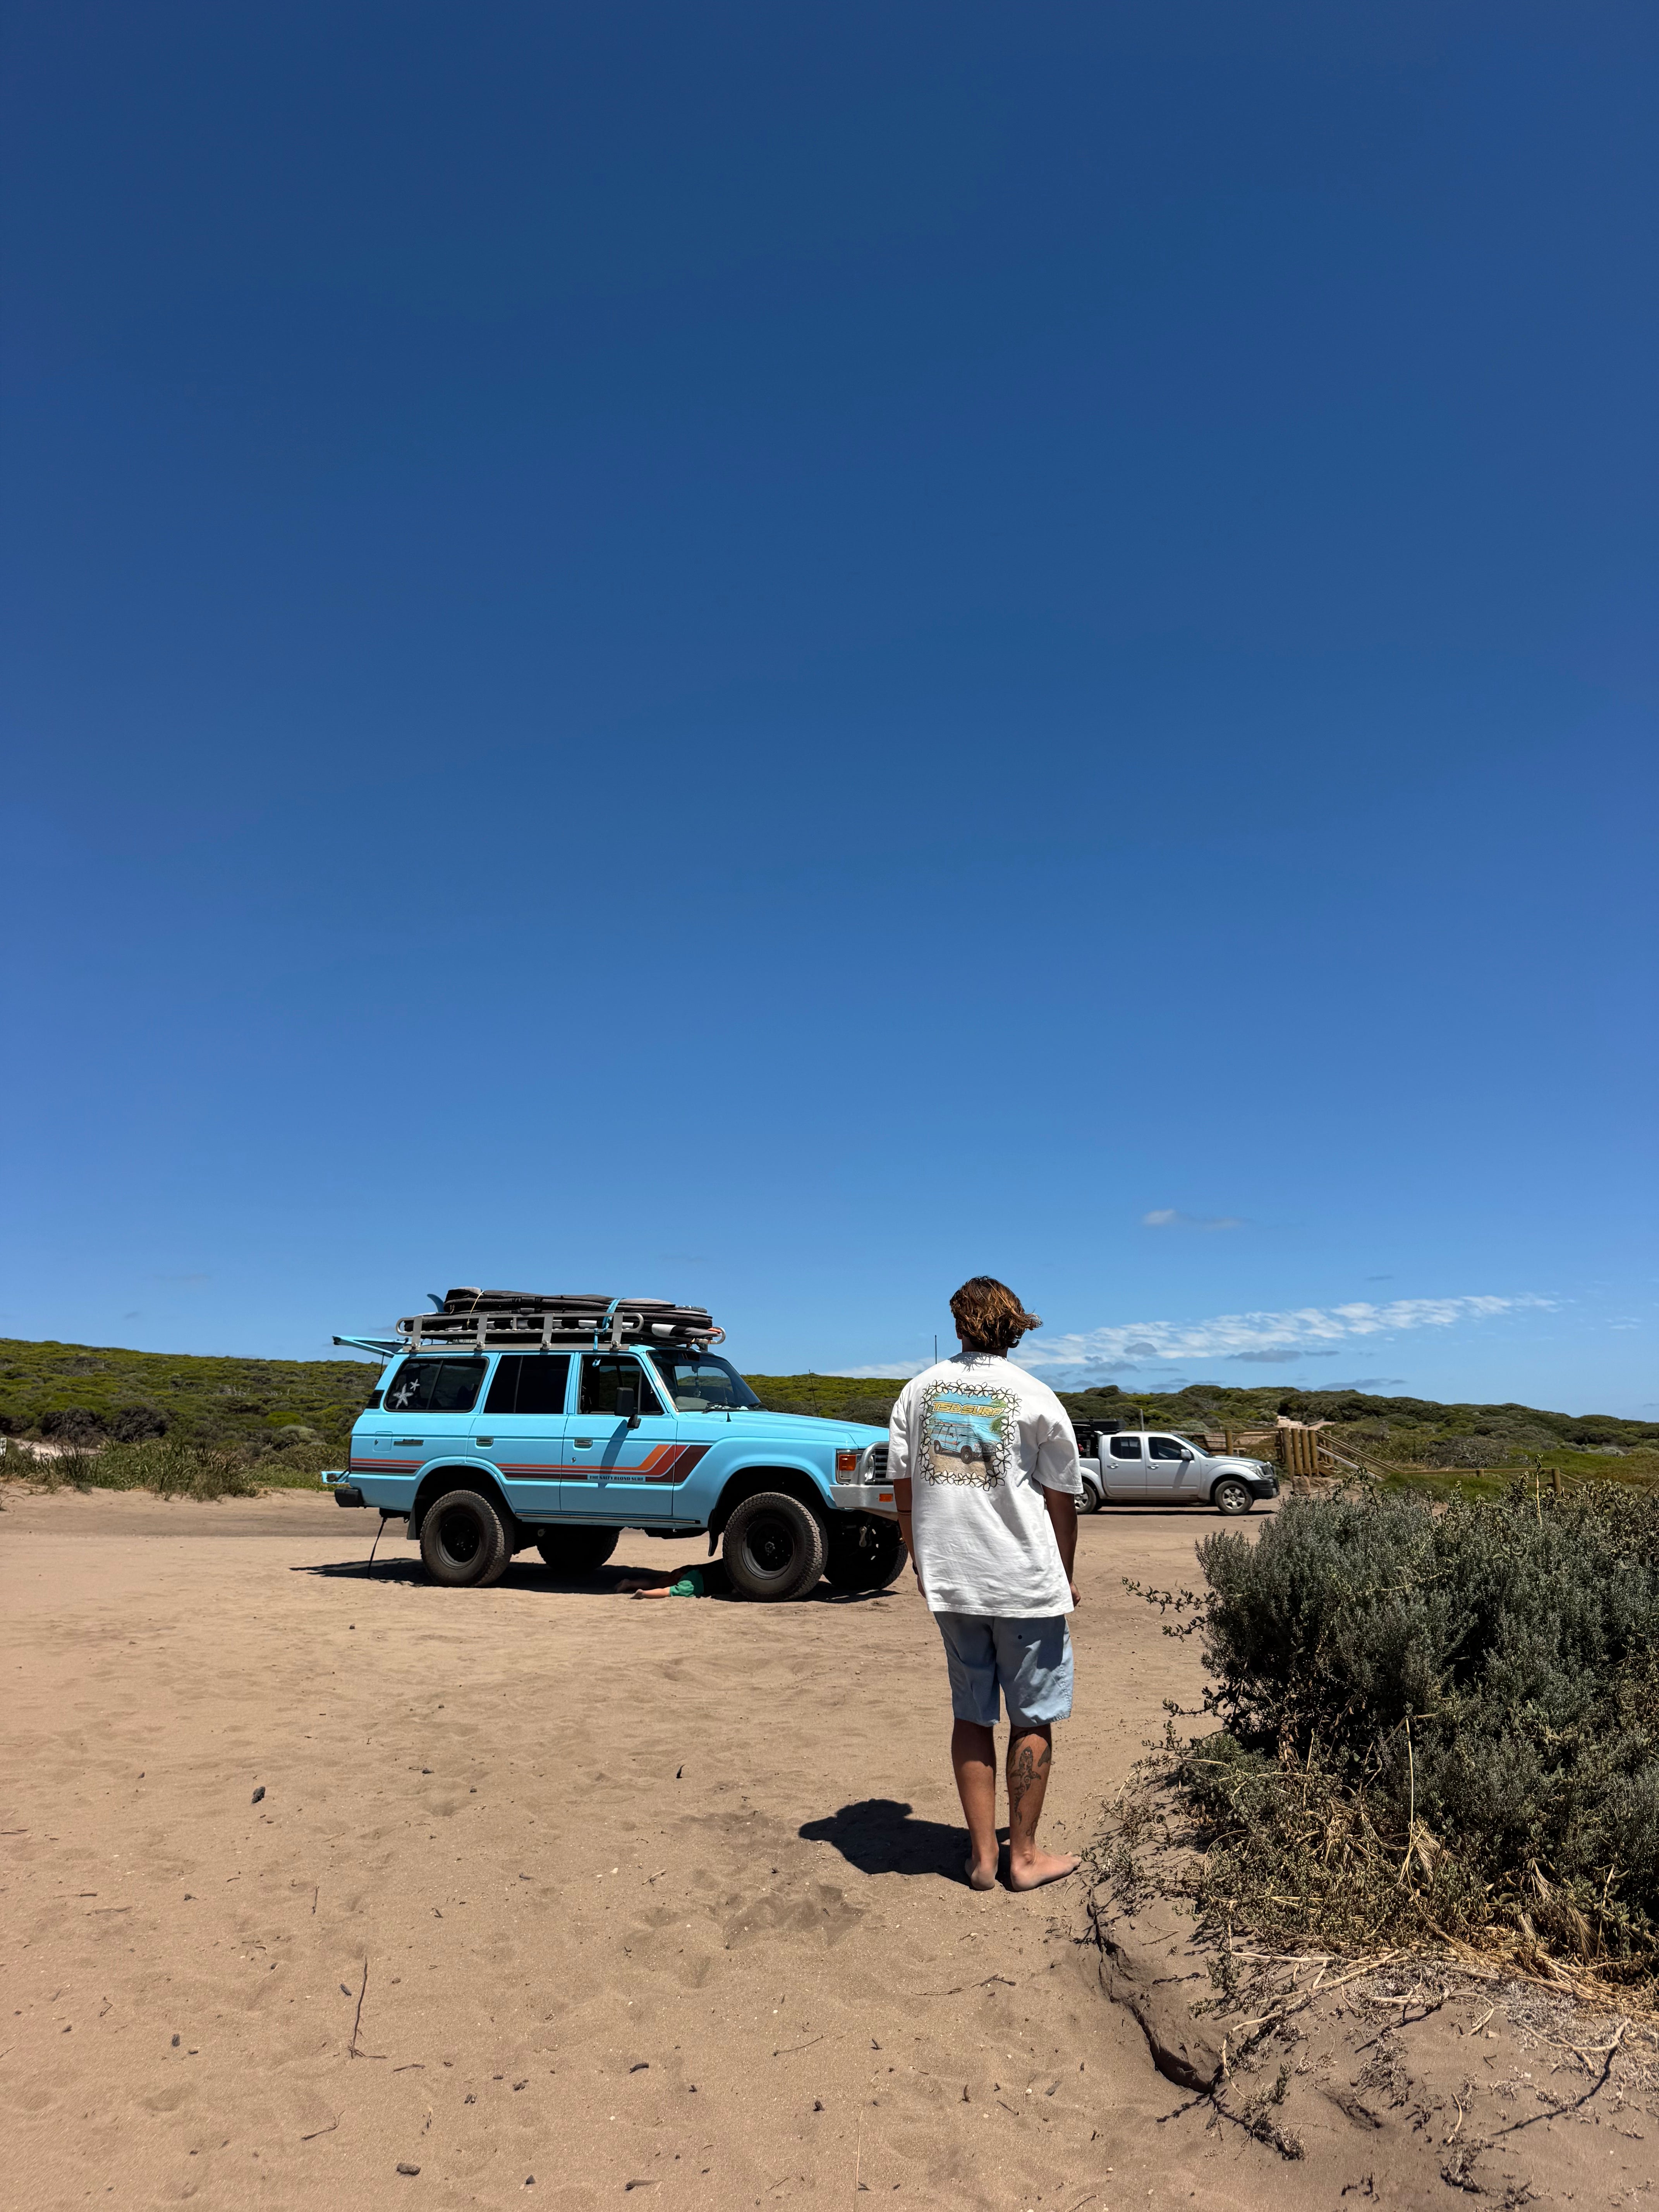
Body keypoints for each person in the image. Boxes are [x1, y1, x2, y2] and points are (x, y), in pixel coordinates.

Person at [888, 1277, 1083, 1892]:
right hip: (1023, 1579)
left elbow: (903, 1491)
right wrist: (1066, 1575)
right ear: (1014, 1328)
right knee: (1032, 1716)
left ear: (958, 1324)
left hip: (952, 1580)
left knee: (972, 1714)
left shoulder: (918, 1392)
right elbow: (1062, 1499)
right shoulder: (1036, 1395)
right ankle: (1022, 1857)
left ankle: (981, 1859)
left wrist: (920, 1560)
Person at [613, 1560, 732, 1599]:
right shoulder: (689, 1587)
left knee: (658, 1582)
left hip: (692, 1571)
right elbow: (666, 1592)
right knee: (667, 1590)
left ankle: (630, 1583)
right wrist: (643, 1594)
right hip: (696, 1584)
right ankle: (642, 1592)